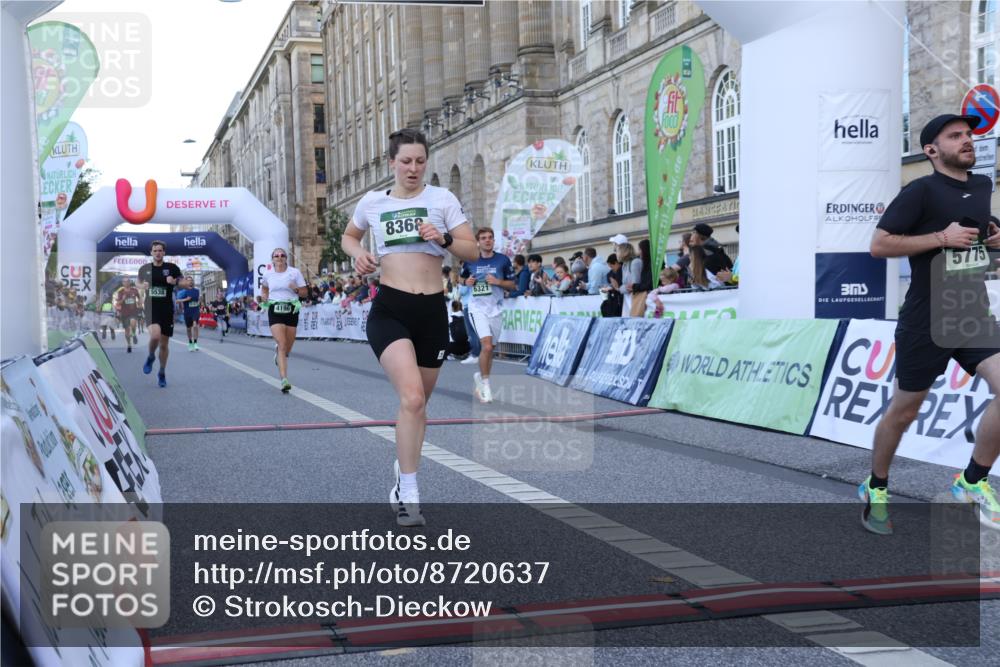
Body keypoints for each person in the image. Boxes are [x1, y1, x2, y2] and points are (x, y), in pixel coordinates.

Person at [862, 113, 1000, 533]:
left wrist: (995, 237)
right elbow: (879, 244)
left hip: (972, 311)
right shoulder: (919, 191)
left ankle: (971, 480)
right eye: (955, 136)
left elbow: (980, 233)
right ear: (931, 150)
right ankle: (876, 485)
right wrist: (940, 238)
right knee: (904, 412)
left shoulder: (981, 185)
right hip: (926, 319)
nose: (967, 141)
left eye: (969, 135)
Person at [342, 127, 478, 527]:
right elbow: (349, 237)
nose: (413, 168)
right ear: (392, 163)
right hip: (391, 308)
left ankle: (403, 473)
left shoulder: (442, 200)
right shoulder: (372, 202)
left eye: (420, 161)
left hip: (432, 310)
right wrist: (359, 254)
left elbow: (472, 249)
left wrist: (446, 237)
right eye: (406, 161)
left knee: (418, 406)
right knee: (413, 399)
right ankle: (410, 495)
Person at [461, 227, 516, 403]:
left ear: (493, 240)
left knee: (490, 348)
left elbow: (513, 285)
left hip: (496, 308)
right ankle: (485, 386)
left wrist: (498, 282)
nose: (487, 240)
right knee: (485, 346)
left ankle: (481, 378)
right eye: (483, 238)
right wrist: (466, 281)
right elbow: (461, 279)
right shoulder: (471, 260)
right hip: (477, 308)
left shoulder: (503, 260)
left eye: (490, 237)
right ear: (478, 241)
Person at [261, 248, 308, 393]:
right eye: (276, 255)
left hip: (291, 310)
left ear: (286, 258)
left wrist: (296, 289)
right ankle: (284, 380)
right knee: (282, 343)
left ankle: (280, 354)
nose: (279, 257)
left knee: (288, 345)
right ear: (272, 259)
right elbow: (264, 288)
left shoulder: (294, 273)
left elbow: (305, 293)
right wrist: (264, 297)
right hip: (275, 310)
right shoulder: (268, 274)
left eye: (282, 255)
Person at [137, 240, 182, 388]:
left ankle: (162, 372)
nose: (157, 253)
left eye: (160, 250)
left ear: (164, 252)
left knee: (164, 345)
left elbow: (184, 282)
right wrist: (142, 286)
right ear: (151, 252)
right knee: (155, 335)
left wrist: (174, 281)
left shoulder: (172, 268)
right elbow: (137, 283)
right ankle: (150, 357)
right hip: (151, 308)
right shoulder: (144, 268)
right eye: (155, 250)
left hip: (167, 310)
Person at [175, 276, 201, 351]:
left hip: (195, 310)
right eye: (188, 280)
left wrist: (199, 301)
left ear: (192, 282)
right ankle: (190, 343)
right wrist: (184, 300)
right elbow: (177, 300)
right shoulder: (184, 291)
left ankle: (195, 343)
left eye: (191, 280)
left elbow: (194, 299)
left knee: (195, 325)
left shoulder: (196, 290)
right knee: (189, 328)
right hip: (187, 311)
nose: (190, 282)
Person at [116, 278, 141, 353]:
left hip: (133, 312)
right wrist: (123, 299)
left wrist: (140, 302)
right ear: (123, 283)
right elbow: (118, 303)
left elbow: (140, 298)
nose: (126, 283)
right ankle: (129, 345)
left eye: (127, 281)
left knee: (133, 322)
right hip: (124, 313)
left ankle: (133, 334)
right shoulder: (121, 292)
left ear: (129, 282)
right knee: (127, 331)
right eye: (124, 281)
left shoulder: (134, 290)